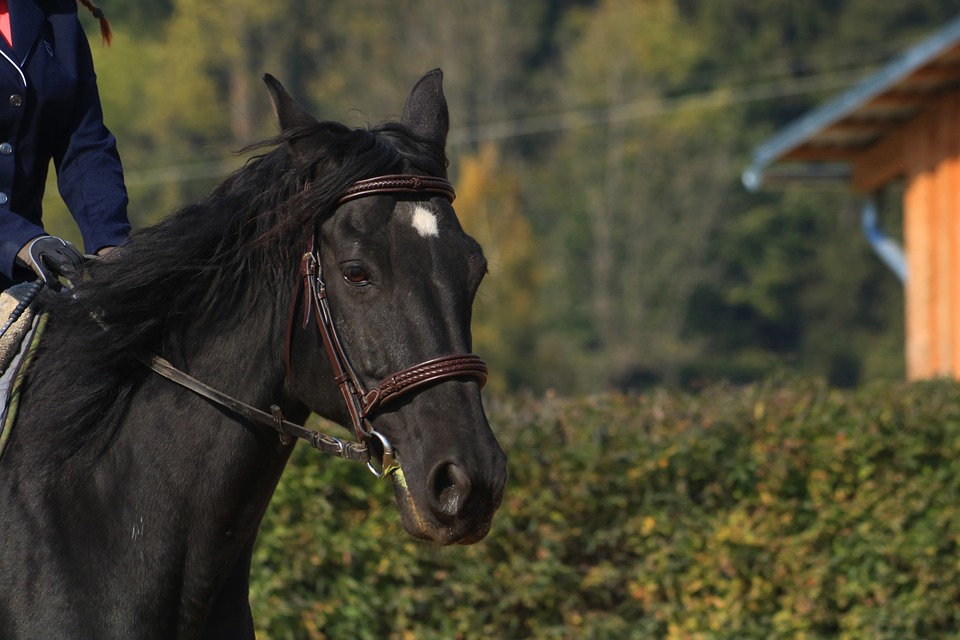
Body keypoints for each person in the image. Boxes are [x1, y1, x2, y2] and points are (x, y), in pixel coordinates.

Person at [0, 0, 129, 292]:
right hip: (23, 248)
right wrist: (18, 239)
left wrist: (111, 243)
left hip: (21, 279)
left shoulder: (56, 13)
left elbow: (84, 144)